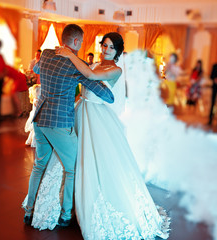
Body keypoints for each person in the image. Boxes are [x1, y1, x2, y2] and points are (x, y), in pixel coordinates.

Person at [23, 32, 170, 239]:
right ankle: (64, 208)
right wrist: (66, 57)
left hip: (98, 118)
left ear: (117, 51)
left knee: (90, 162)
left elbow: (90, 78)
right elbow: (83, 72)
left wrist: (68, 54)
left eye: (111, 47)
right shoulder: (91, 64)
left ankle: (78, 207)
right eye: (104, 46)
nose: (106, 50)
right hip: (78, 111)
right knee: (66, 163)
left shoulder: (115, 69)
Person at [22, 24, 114, 228]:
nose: (81, 45)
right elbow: (105, 95)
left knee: (38, 166)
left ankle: (28, 212)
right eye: (81, 41)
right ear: (75, 42)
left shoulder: (45, 54)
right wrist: (111, 95)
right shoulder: (77, 65)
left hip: (40, 119)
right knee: (72, 168)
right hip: (60, 123)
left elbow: (36, 68)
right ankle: (65, 215)